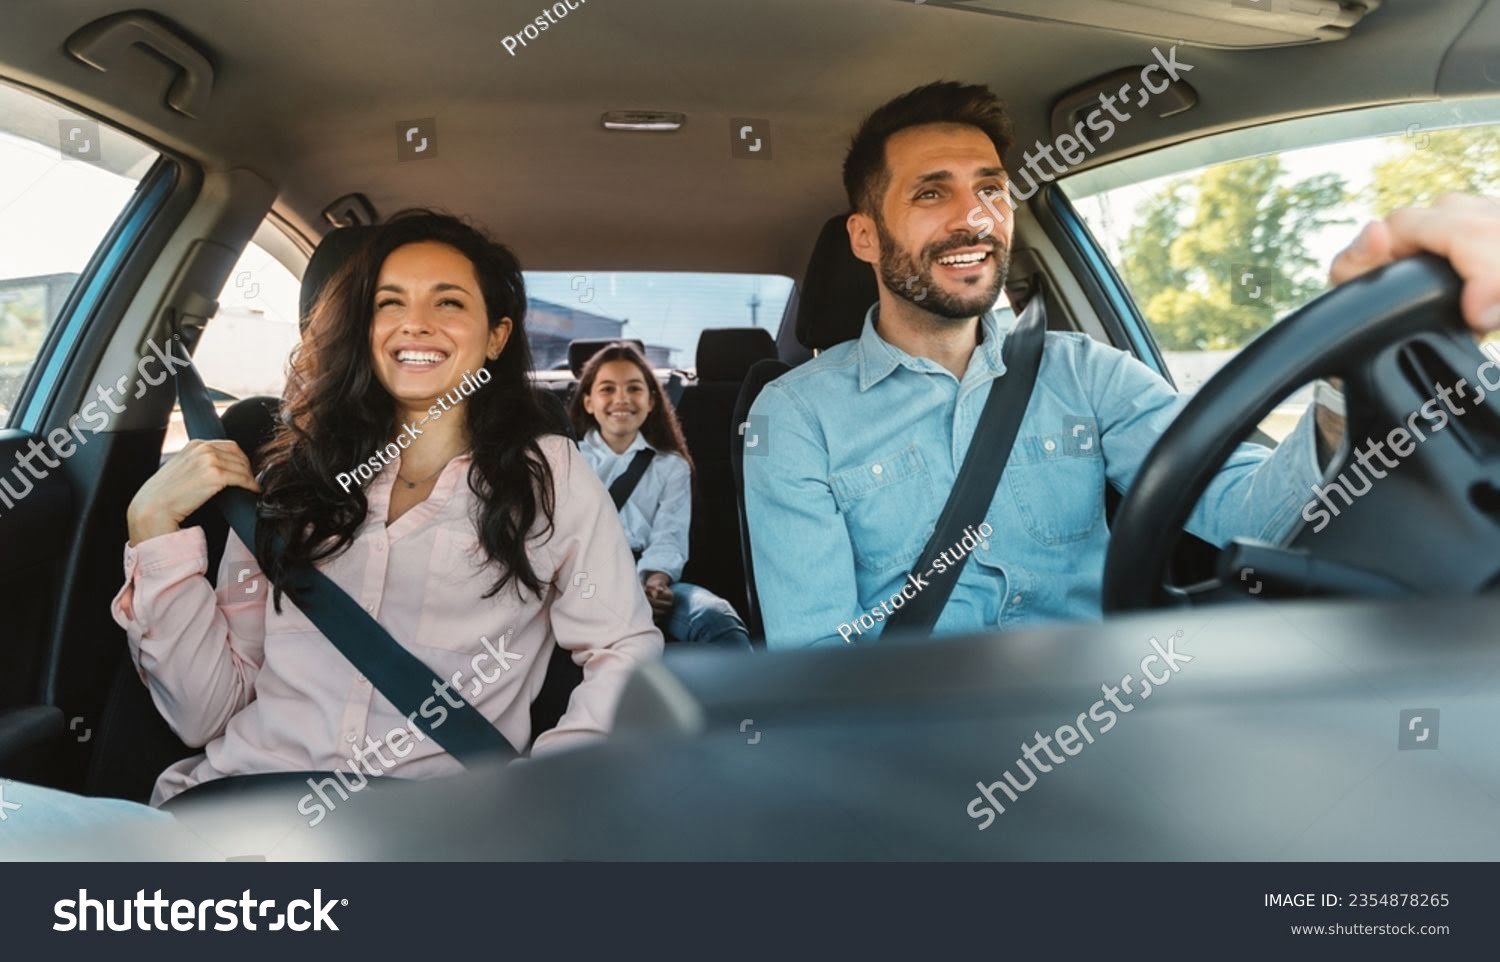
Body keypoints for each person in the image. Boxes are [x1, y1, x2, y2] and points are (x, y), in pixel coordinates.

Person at [744, 80, 1500, 649]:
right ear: (865, 238)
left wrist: (1346, 368)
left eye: (991, 190)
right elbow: (818, 660)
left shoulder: (1086, 374)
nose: (973, 218)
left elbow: (1257, 515)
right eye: (931, 193)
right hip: (912, 742)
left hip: (1102, 720)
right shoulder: (797, 415)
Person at [35, 211, 662, 834]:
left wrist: (544, 794)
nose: (416, 322)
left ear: (495, 336)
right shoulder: (288, 477)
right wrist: (151, 528)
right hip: (242, 806)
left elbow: (623, 650)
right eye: (390, 303)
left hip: (433, 827)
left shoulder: (549, 475)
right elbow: (205, 713)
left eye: (448, 302)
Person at [570, 342, 752, 651]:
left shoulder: (671, 466)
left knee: (718, 619)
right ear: (588, 402)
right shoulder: (568, 460)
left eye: (634, 388)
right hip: (585, 585)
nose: (621, 398)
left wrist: (654, 582)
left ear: (651, 401)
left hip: (649, 578)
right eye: (607, 389)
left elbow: (670, 534)